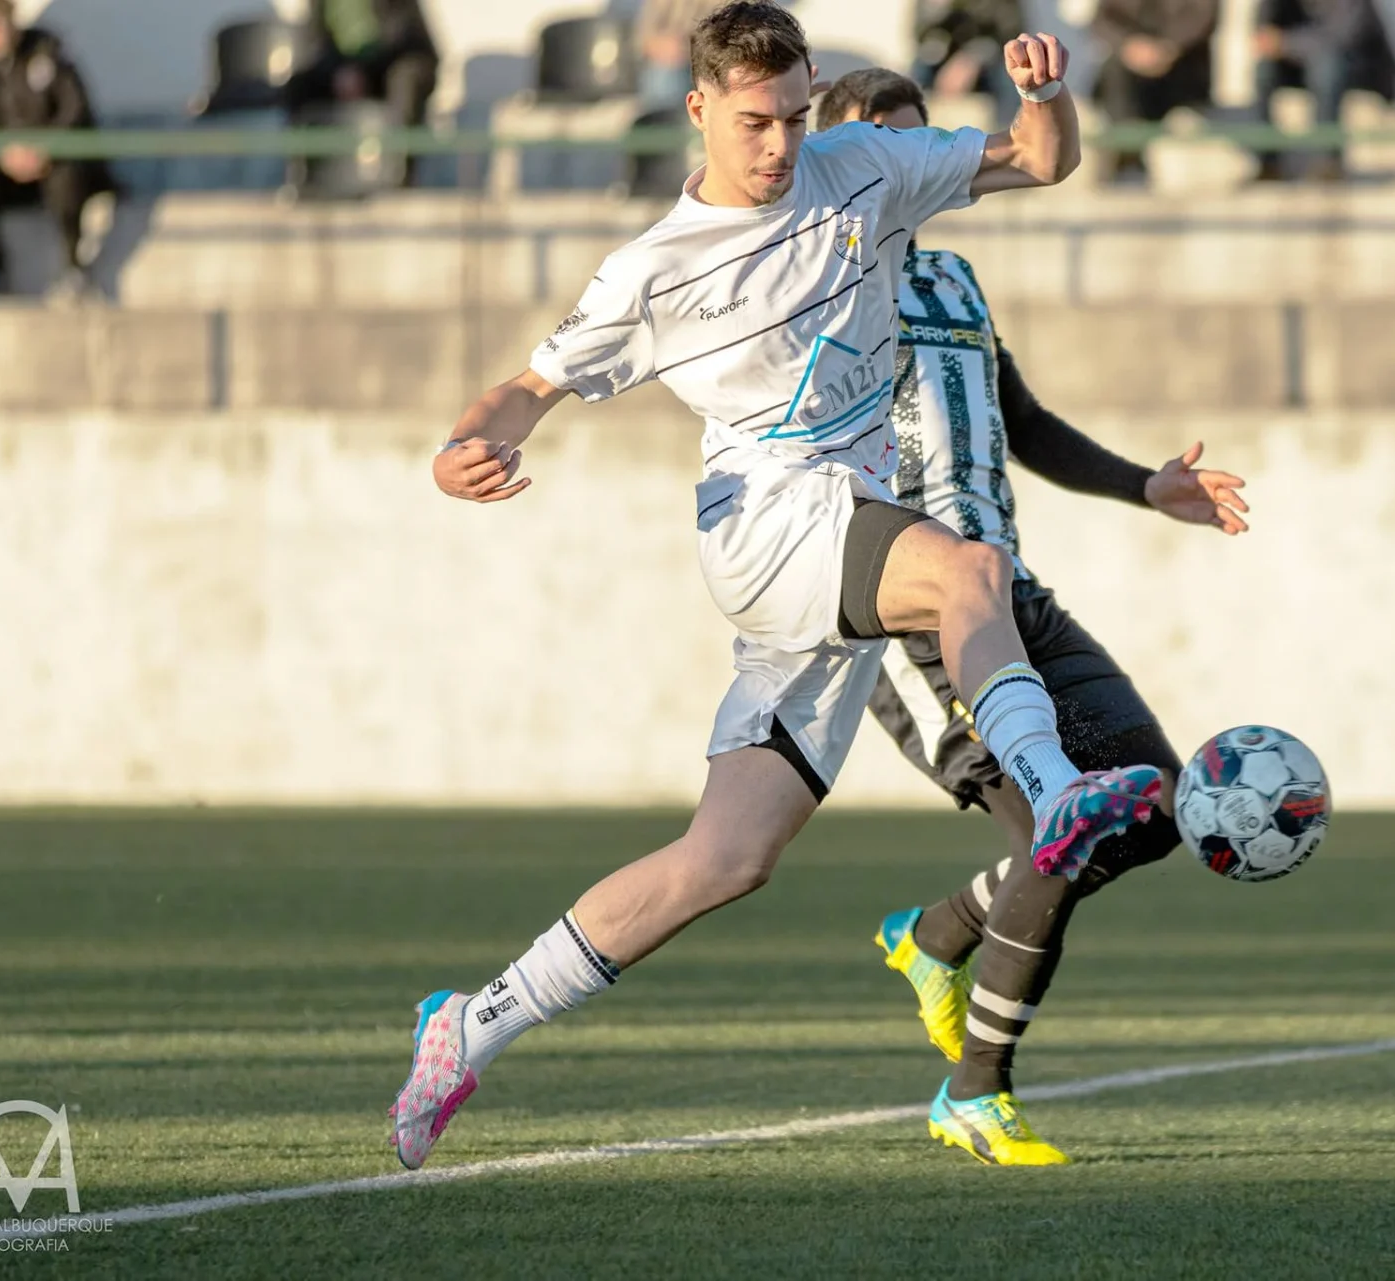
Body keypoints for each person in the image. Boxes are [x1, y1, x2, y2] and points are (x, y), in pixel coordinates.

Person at [389, 1, 1166, 1171]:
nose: (782, 144)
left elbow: (1037, 164)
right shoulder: (652, 271)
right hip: (765, 521)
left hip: (831, 546)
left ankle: (474, 1021)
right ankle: (1056, 795)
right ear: (698, 109)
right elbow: (524, 389)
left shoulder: (861, 167)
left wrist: (1045, 97)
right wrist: (462, 447)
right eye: (756, 121)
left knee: (726, 860)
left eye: (797, 115)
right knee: (969, 568)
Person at [816, 67, 1248, 1165]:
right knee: (1057, 839)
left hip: (1011, 596)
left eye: (917, 149)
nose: (901, 172)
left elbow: (1028, 426)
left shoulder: (954, 281)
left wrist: (1144, 485)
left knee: (1151, 807)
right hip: (906, 612)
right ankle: (976, 1093)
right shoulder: (805, 286)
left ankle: (935, 936)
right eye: (874, 149)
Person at [0, 0, 112, 298]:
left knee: (69, 178)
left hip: (48, 164)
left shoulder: (46, 51)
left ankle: (74, 265)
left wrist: (43, 149)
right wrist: (0, 156)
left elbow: (75, 109)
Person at [1250, 0, 1395, 183]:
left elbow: (1339, 39)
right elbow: (1264, 32)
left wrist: (1284, 42)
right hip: (1303, 65)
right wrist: (1272, 39)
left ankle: (1327, 162)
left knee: (1326, 68)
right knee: (1264, 70)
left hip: (1360, 69)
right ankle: (1268, 164)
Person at [289, 0, 437, 183]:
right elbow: (314, 39)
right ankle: (303, 176)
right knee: (298, 85)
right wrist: (338, 70)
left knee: (403, 79)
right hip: (343, 67)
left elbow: (402, 33)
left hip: (394, 61)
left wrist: (362, 70)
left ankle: (400, 176)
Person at [1090, 0, 1218, 180]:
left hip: (1183, 70)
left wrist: (1167, 48)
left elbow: (1204, 17)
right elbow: (1102, 19)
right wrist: (1130, 46)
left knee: (1184, 127)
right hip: (1130, 71)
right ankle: (1128, 156)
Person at [914, 0, 1029, 123]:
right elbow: (921, 34)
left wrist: (972, 58)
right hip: (944, 59)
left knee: (1011, 76)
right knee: (915, 73)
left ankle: (1009, 134)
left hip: (988, 59)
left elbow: (1009, 34)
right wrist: (937, 9)